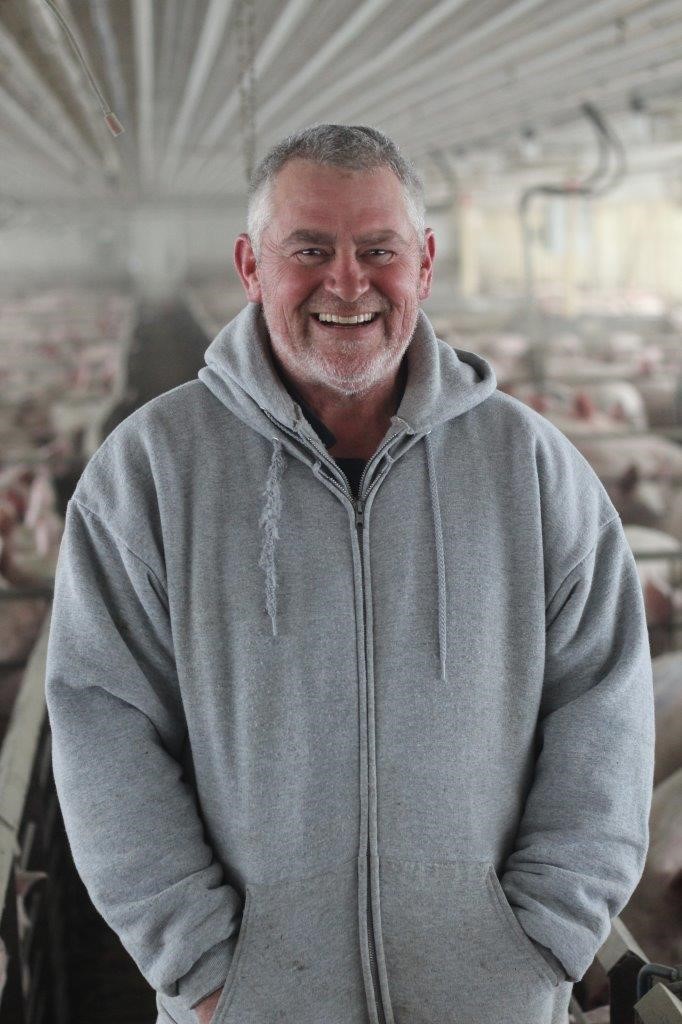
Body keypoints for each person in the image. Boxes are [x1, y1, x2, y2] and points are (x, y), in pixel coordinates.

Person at [45, 124, 654, 1024]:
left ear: (426, 263)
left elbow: (602, 708)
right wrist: (205, 968)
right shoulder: (150, 473)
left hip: (488, 1002)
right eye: (310, 250)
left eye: (379, 250)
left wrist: (544, 945)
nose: (348, 282)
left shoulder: (531, 468)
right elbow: (103, 728)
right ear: (252, 266)